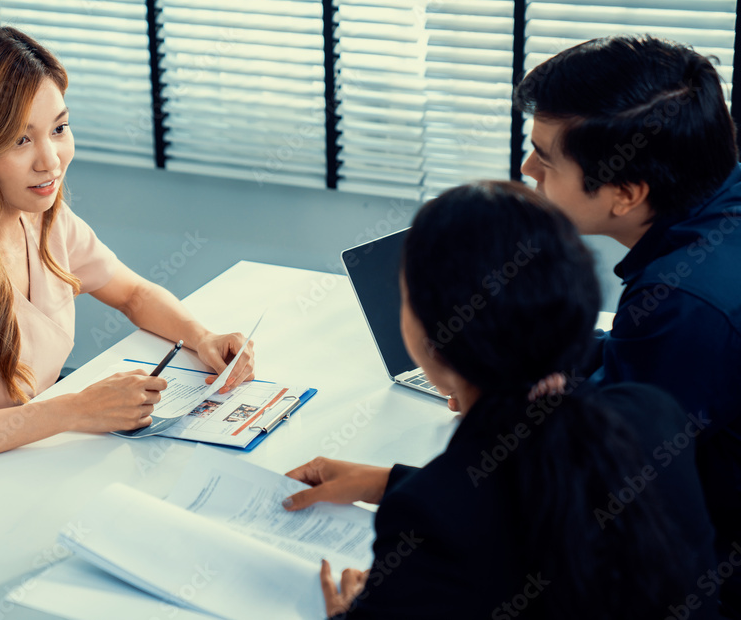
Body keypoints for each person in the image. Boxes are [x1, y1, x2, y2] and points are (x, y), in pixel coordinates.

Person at [0, 25, 254, 516]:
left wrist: (199, 335)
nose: (51, 160)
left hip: (10, 477)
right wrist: (73, 411)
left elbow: (131, 293)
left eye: (59, 129)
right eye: (21, 139)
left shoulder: (40, 215)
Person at [282, 182, 718, 618]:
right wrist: (391, 482)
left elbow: (483, 512)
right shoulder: (654, 415)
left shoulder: (427, 518)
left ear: (433, 340)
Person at [514, 35, 741, 615]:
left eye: (546, 157)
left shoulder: (683, 300)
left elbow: (607, 480)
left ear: (625, 193)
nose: (527, 168)